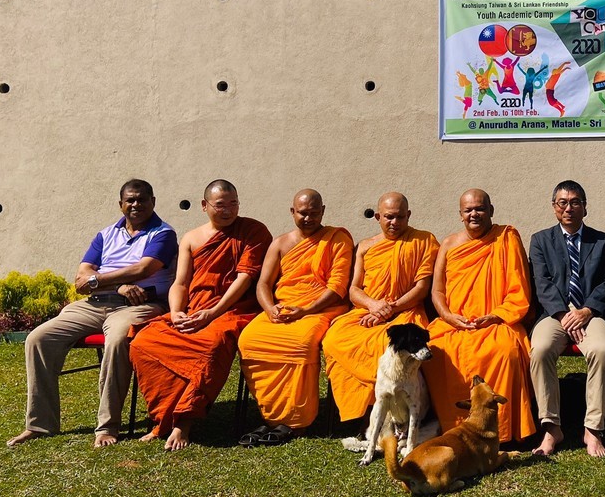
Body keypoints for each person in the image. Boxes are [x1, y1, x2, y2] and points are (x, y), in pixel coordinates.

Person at [7, 180, 177, 448]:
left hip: (140, 304)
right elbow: (80, 279)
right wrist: (116, 284)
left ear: (153, 201)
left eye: (142, 199)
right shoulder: (105, 234)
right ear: (120, 204)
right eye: (130, 200)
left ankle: (107, 426)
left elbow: (143, 270)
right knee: (38, 339)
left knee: (118, 340)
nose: (136, 205)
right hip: (96, 304)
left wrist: (98, 279)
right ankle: (40, 424)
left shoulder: (163, 234)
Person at [129, 180, 272, 451]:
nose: (228, 210)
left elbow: (244, 278)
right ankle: (162, 418)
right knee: (143, 343)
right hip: (195, 309)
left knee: (211, 345)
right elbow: (181, 283)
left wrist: (214, 313)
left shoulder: (253, 231)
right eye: (220, 205)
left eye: (234, 204)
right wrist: (175, 313)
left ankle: (183, 423)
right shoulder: (192, 238)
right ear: (205, 206)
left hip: (233, 310)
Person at [237, 189, 353, 445]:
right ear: (292, 212)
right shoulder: (279, 243)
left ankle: (297, 420)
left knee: (301, 342)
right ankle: (272, 415)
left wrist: (307, 310)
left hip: (320, 308)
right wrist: (269, 308)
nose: (308, 218)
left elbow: (337, 288)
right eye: (303, 213)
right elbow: (263, 285)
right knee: (249, 339)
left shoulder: (337, 239)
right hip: (283, 309)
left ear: (323, 211)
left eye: (314, 213)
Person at [424, 189, 537, 445]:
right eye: (468, 210)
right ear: (460, 215)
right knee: (434, 351)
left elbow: (519, 290)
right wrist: (448, 316)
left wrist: (495, 316)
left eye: (480, 209)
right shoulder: (450, 244)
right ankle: (451, 426)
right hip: (455, 322)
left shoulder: (506, 238)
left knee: (505, 351)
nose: (474, 214)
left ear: (491, 211)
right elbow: (438, 290)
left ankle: (503, 431)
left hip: (496, 320)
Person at [322, 192, 439, 428]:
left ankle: (391, 411)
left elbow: (422, 288)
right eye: (388, 217)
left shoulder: (424, 241)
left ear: (408, 216)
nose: (394, 223)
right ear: (378, 217)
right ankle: (362, 413)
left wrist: (390, 308)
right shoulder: (366, 246)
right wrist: (374, 306)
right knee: (334, 338)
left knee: (384, 344)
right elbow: (354, 289)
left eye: (399, 217)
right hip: (368, 310)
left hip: (406, 311)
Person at [528, 180, 605, 457]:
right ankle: (552, 426)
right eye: (562, 203)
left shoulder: (603, 241)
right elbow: (542, 282)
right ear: (554, 208)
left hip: (592, 313)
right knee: (540, 350)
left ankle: (593, 428)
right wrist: (565, 315)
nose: (569, 208)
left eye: (575, 202)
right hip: (555, 314)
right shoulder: (540, 240)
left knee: (602, 350)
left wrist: (586, 311)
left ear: (585, 208)